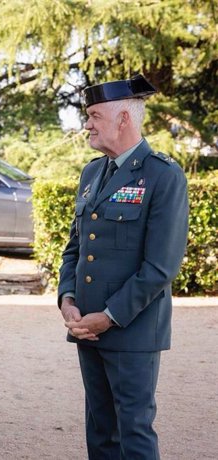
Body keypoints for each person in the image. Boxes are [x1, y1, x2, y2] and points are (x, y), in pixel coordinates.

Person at [58, 74, 189, 459]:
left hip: (132, 331)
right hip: (86, 329)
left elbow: (160, 267)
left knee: (133, 431)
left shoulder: (163, 176)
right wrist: (67, 299)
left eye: (94, 115)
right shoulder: (92, 172)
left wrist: (109, 316)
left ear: (123, 120)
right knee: (99, 431)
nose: (87, 124)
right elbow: (75, 248)